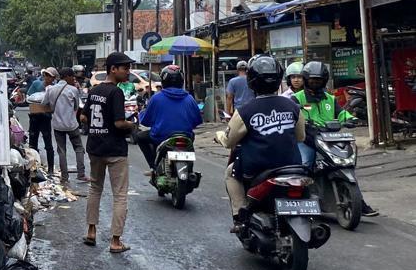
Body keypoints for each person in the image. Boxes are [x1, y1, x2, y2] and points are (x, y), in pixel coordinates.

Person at [217, 55, 307, 229]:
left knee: (230, 173)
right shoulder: (293, 107)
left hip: (257, 168)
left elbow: (229, 141)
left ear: (251, 80)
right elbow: (300, 137)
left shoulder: (245, 111)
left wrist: (220, 136)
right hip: (292, 165)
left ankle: (240, 216)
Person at [294, 62, 378, 216]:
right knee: (305, 163)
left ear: (324, 81)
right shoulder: (297, 98)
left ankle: (360, 202)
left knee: (345, 164)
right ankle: (300, 202)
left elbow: (341, 113)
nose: (315, 83)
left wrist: (351, 119)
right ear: (306, 80)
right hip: (307, 140)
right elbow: (294, 117)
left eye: (318, 80)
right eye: (312, 80)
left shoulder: (330, 99)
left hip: (329, 138)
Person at [81, 52, 136, 253]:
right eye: (125, 68)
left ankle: (91, 231)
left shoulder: (95, 90)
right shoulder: (116, 93)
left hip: (95, 148)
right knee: (120, 195)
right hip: (115, 150)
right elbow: (119, 123)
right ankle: (115, 241)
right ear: (113, 69)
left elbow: (84, 118)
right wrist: (132, 125)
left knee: (95, 188)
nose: (127, 72)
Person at [136, 65, 203, 170]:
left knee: (140, 137)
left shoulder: (156, 98)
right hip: (185, 136)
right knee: (191, 136)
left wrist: (141, 114)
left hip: (161, 136)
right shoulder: (189, 98)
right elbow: (197, 120)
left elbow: (146, 121)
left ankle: (154, 167)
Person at [47, 67, 87, 184]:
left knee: (61, 151)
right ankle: (81, 174)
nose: (74, 79)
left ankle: (64, 177)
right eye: (72, 77)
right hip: (71, 124)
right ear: (67, 76)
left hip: (57, 125)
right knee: (79, 148)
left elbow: (44, 102)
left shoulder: (51, 89)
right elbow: (76, 107)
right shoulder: (73, 90)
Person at [28, 67, 56, 160]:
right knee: (32, 142)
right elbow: (29, 96)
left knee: (48, 143)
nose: (47, 77)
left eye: (50, 76)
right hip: (34, 116)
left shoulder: (54, 88)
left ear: (54, 78)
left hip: (46, 117)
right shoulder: (36, 84)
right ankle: (33, 166)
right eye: (46, 75)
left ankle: (51, 169)